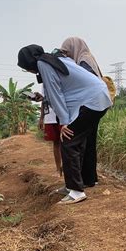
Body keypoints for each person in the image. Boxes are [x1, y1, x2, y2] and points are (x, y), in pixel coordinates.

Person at [17, 44, 112, 204]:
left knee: (68, 141)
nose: (28, 71)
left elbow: (56, 93)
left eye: (25, 67)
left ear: (29, 62)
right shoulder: (54, 59)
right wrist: (43, 99)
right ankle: (71, 186)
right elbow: (68, 89)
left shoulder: (43, 64)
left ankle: (76, 192)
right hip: (97, 97)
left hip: (93, 100)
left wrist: (65, 122)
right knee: (76, 141)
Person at [59, 37, 104, 189]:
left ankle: (83, 180)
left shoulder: (84, 61)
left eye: (67, 52)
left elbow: (85, 84)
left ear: (74, 48)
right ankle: (90, 178)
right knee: (89, 141)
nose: (66, 56)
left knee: (77, 141)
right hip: (96, 104)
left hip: (90, 105)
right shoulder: (89, 58)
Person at [37, 88, 62, 177]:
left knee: (67, 143)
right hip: (50, 116)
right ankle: (58, 169)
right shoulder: (44, 83)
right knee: (56, 143)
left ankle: (68, 169)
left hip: (64, 115)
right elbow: (43, 101)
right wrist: (41, 118)